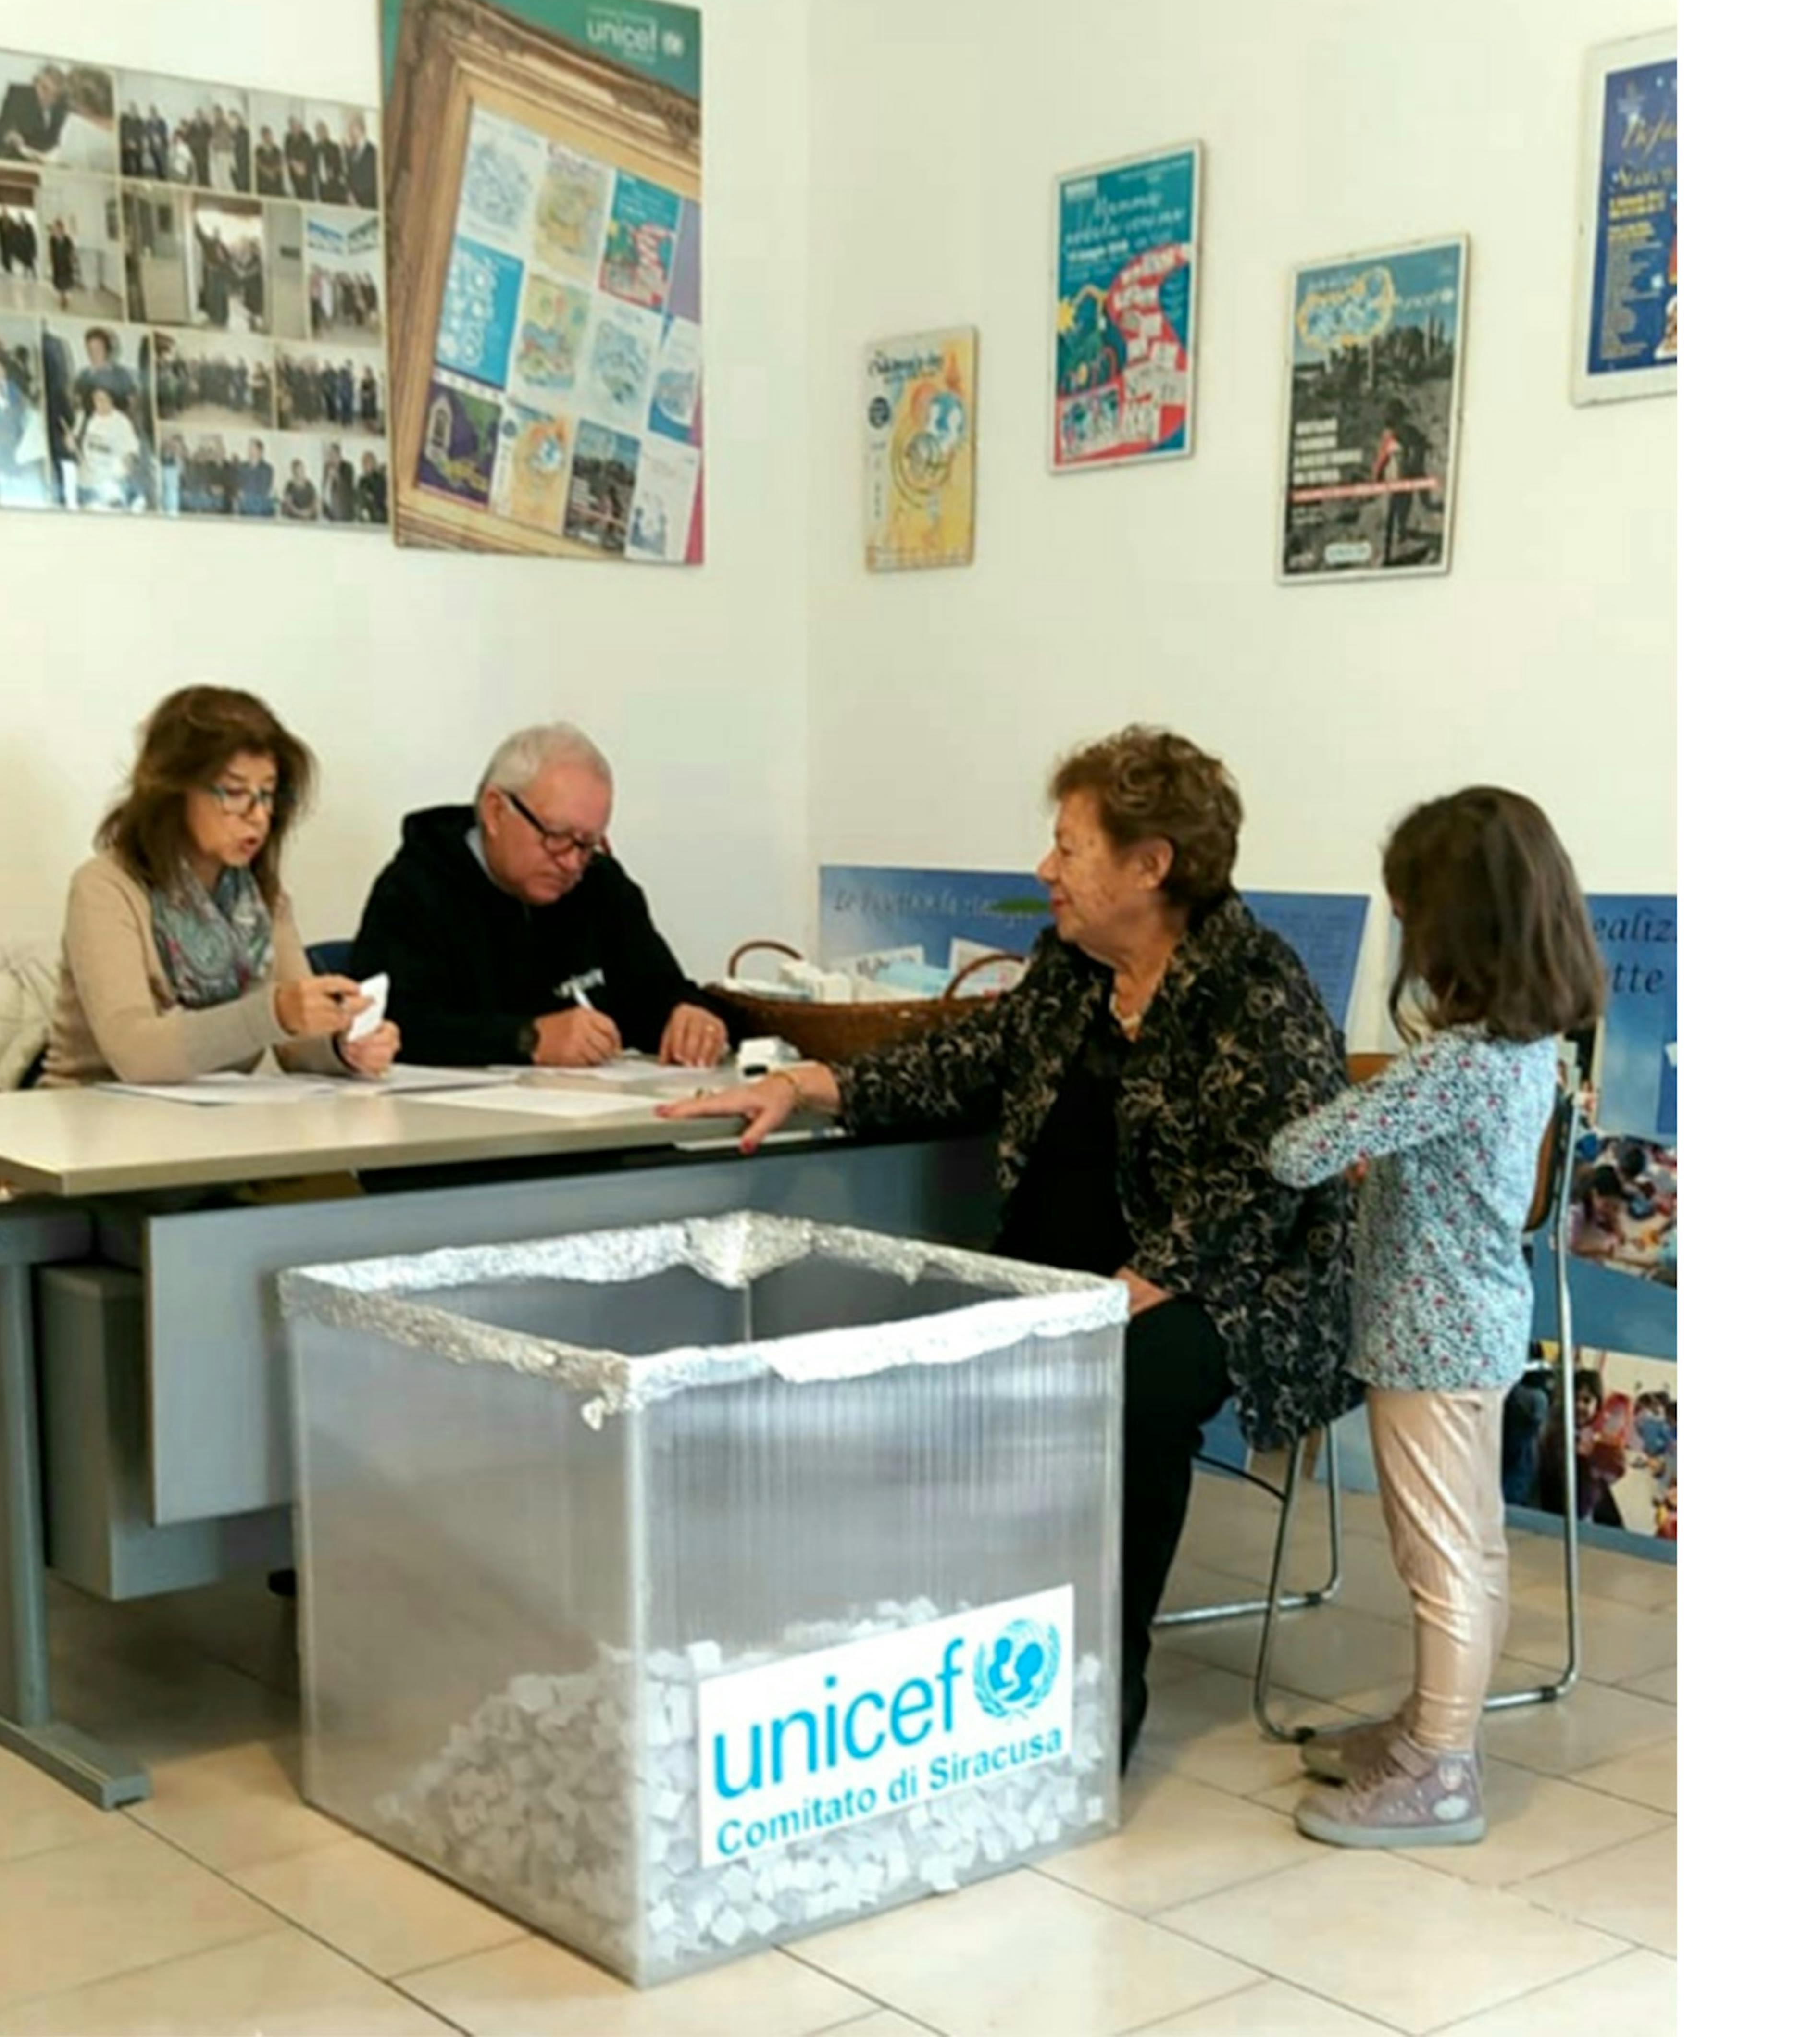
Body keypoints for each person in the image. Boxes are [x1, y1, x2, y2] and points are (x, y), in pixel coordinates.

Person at [661, 726, 1352, 1768]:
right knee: (911, 1347)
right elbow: (967, 1058)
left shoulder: (1256, 987)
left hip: (1230, 1292)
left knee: (1130, 1382)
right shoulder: (1072, 972)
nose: (1046, 871)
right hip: (1067, 1276)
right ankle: (929, 1660)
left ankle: (1092, 1695)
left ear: (1149, 864)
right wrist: (808, 1083)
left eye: (1070, 847)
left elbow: (1267, 1180)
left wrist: (1130, 1290)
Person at [1264, 785, 1604, 1851]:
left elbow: (1298, 1152)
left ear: (1455, 926)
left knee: (1439, 1559)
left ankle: (1441, 1772)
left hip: (1428, 1339)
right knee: (1475, 1549)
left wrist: (1336, 1123)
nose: (1402, 930)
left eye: (1409, 912)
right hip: (1474, 1328)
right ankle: (1427, 1732)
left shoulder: (1456, 1065)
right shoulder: (1532, 1052)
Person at [39, 686, 395, 1089]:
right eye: (236, 793)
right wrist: (274, 1014)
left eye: (268, 794)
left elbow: (294, 1045)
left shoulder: (262, 898)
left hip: (210, 1121)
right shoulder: (106, 888)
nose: (258, 815)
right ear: (173, 793)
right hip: (88, 1116)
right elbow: (136, 1054)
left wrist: (343, 1043)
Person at [352, 722, 731, 1070]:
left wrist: (689, 1016)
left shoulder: (601, 884)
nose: (571, 863)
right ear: (496, 811)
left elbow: (654, 989)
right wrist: (527, 1039)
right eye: (556, 836)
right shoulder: (414, 888)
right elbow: (392, 1024)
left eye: (587, 844)